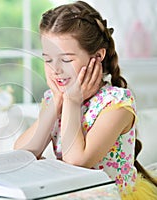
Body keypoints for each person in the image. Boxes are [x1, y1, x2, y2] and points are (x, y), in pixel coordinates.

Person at [14, 1, 157, 199]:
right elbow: (21, 154)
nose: (55, 69)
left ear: (97, 56)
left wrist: (72, 103)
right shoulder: (55, 98)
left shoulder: (116, 104)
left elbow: (77, 162)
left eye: (66, 59)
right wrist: (57, 102)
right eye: (48, 59)